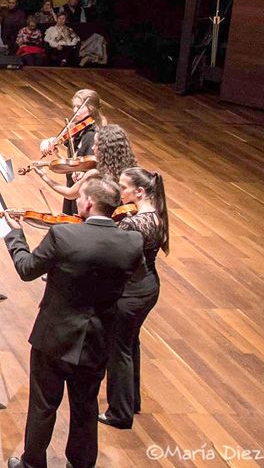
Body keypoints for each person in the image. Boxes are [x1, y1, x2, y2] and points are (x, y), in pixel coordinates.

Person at [3, 177, 143, 468]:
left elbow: (27, 269)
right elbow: (134, 277)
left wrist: (15, 235)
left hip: (53, 336)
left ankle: (32, 463)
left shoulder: (63, 235)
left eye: (80, 197)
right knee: (85, 407)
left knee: (43, 405)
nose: (77, 201)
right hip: (97, 340)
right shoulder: (132, 242)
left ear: (89, 203)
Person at [101, 166, 168, 429]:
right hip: (149, 286)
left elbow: (115, 255)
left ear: (139, 192)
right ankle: (132, 401)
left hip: (131, 291)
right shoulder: (158, 216)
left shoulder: (132, 222)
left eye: (123, 187)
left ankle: (119, 413)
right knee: (130, 344)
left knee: (119, 350)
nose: (119, 191)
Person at [35, 90, 103, 215]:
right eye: (74, 106)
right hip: (73, 185)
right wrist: (50, 142)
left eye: (79, 107)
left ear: (92, 109)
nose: (75, 110)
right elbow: (74, 160)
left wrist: (78, 173)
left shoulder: (92, 136)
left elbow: (86, 168)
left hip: (83, 193)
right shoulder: (77, 128)